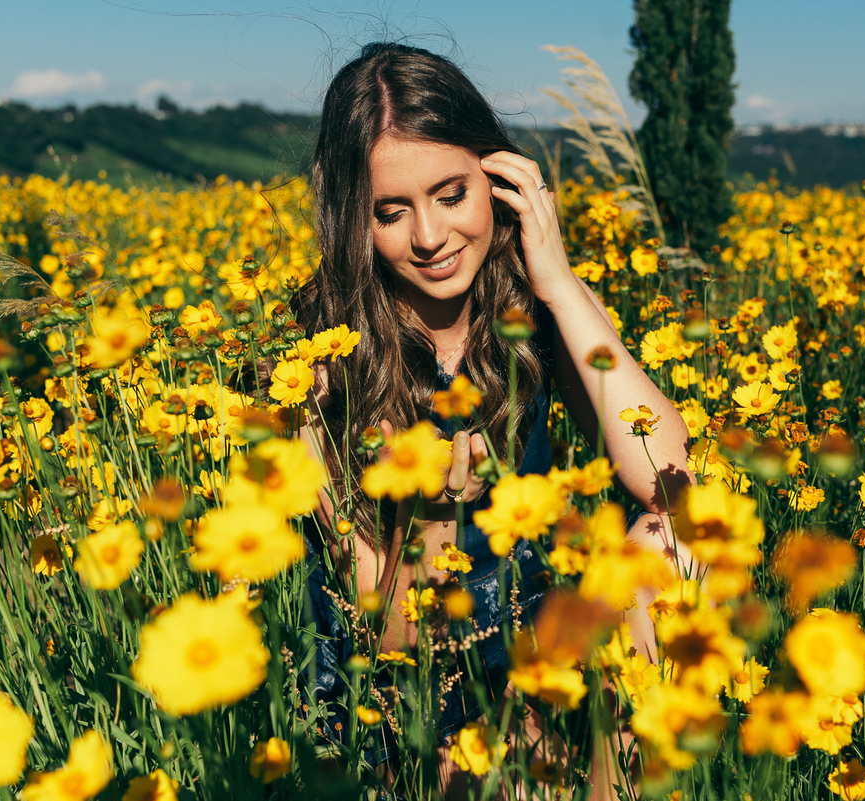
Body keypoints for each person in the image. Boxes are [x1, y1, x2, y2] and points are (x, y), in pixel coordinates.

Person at [291, 42, 693, 792]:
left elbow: (672, 478)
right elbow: (387, 622)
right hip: (404, 678)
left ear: (501, 179)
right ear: (354, 217)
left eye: (452, 194)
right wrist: (437, 514)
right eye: (391, 212)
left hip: (545, 637)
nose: (431, 238)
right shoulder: (320, 353)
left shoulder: (533, 301)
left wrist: (559, 279)